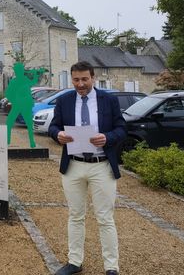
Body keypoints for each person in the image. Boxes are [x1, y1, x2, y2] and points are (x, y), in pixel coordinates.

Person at [48, 61, 126, 275]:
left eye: (84, 79)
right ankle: (74, 262)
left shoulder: (109, 100)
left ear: (93, 77)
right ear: (71, 79)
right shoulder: (64, 100)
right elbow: (53, 126)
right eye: (76, 80)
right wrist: (58, 135)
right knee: (75, 215)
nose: (80, 84)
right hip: (73, 166)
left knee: (105, 218)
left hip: (102, 167)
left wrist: (108, 138)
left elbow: (122, 128)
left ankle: (111, 267)